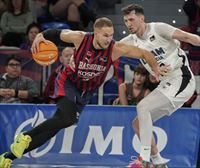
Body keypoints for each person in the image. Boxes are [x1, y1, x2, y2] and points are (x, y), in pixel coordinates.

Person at [0, 17, 169, 168]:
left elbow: (144, 53)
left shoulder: (115, 48)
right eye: (105, 35)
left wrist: (155, 69)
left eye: (111, 35)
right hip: (68, 83)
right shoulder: (80, 38)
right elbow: (56, 33)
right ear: (95, 33)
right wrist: (40, 35)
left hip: (86, 92)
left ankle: (8, 157)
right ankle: (26, 136)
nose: (109, 39)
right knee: (67, 118)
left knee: (58, 124)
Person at [120, 4, 198, 168]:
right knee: (137, 123)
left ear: (142, 18)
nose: (128, 24)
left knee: (143, 106)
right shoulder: (129, 41)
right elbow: (107, 50)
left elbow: (188, 37)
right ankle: (159, 162)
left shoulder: (159, 29)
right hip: (167, 83)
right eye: (126, 20)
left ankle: (144, 159)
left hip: (181, 78)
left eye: (132, 19)